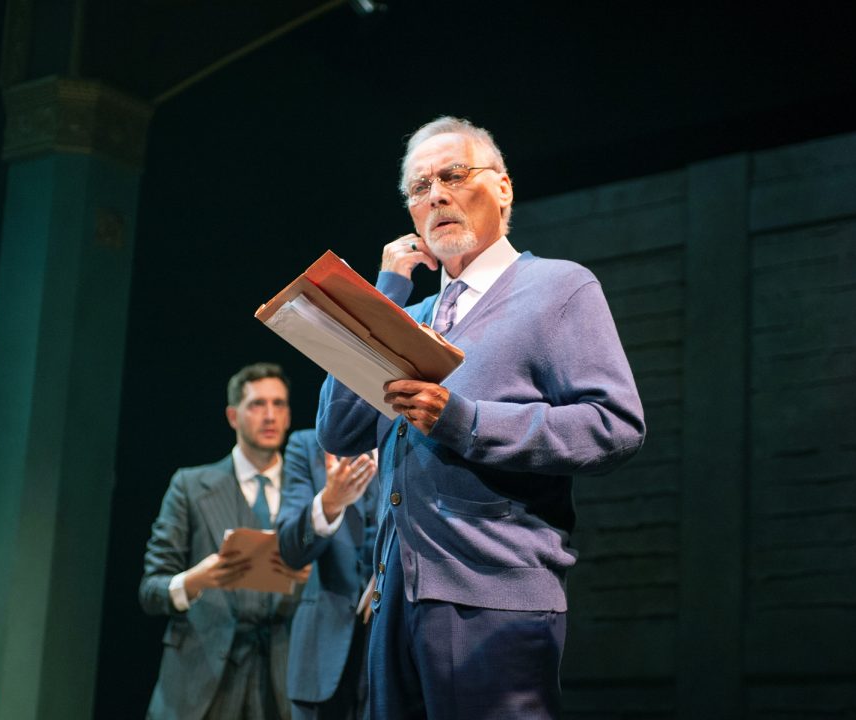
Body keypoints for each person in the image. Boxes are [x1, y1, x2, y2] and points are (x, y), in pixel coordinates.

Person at [316, 116, 646, 719]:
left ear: (503, 188)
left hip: (493, 596)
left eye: (454, 175)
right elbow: (339, 431)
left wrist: (465, 420)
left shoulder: (557, 288)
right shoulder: (410, 314)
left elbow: (615, 426)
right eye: (419, 188)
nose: (436, 194)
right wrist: (383, 294)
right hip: (396, 595)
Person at [140, 362, 307, 720]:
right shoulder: (190, 487)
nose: (269, 415)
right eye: (257, 404)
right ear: (233, 416)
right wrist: (195, 580)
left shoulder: (308, 494)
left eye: (279, 404)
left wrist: (308, 578)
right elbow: (150, 590)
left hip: (281, 678)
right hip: (202, 676)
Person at [276, 430, 379, 720]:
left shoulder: (414, 442)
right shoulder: (307, 446)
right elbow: (291, 551)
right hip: (321, 653)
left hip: (390, 652)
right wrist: (330, 503)